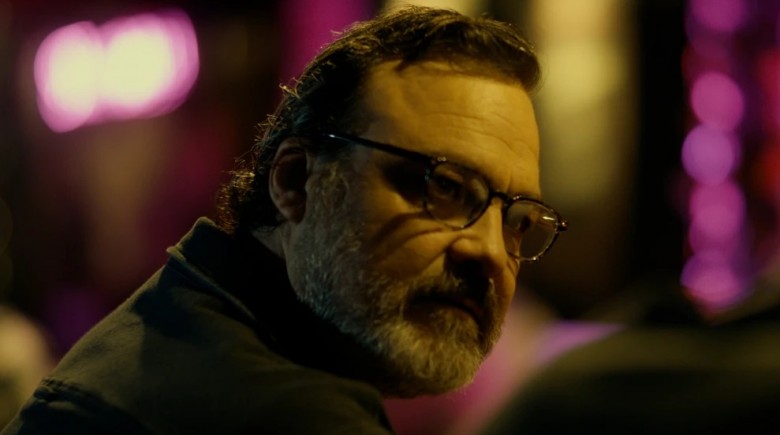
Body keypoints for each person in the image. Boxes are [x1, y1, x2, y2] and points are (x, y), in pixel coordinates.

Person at [3, 5, 567, 434]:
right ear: (296, 182)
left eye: (518, 220)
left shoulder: (177, 318)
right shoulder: (287, 411)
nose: (489, 250)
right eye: (445, 188)